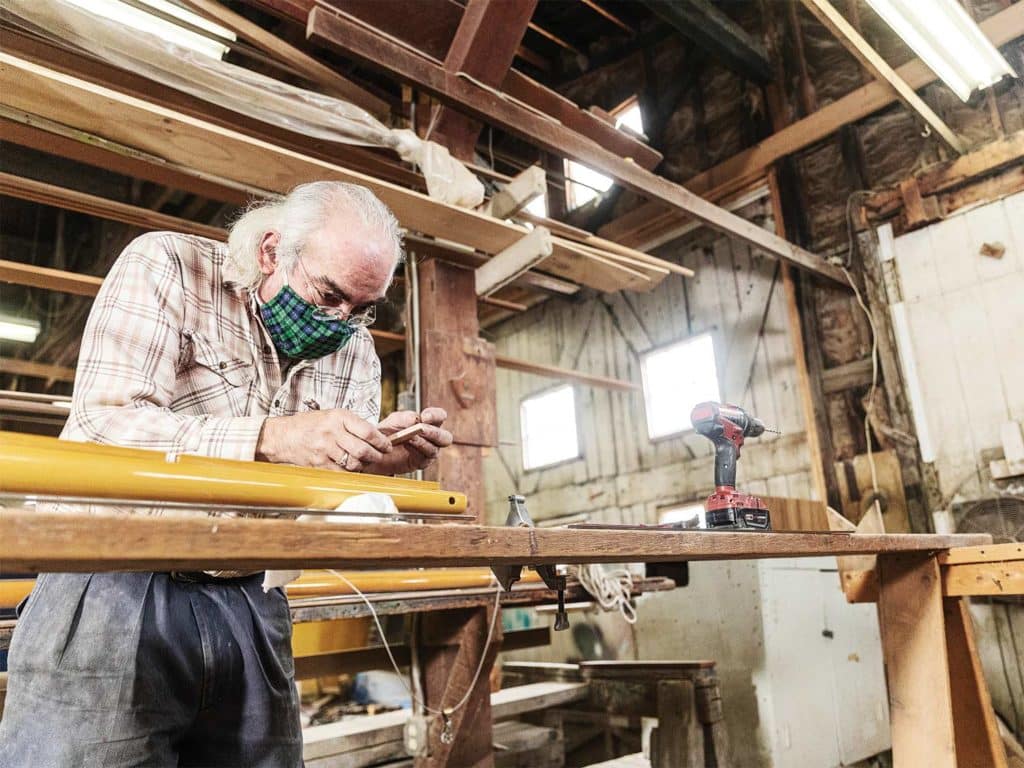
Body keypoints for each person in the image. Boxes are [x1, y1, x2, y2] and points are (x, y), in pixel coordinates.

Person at [0, 181, 453, 767]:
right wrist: (271, 438)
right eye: (330, 295)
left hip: (250, 595)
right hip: (115, 582)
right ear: (271, 252)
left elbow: (325, 497)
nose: (343, 323)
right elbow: (104, 427)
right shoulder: (168, 267)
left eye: (363, 309)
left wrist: (378, 463)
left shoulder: (355, 348)